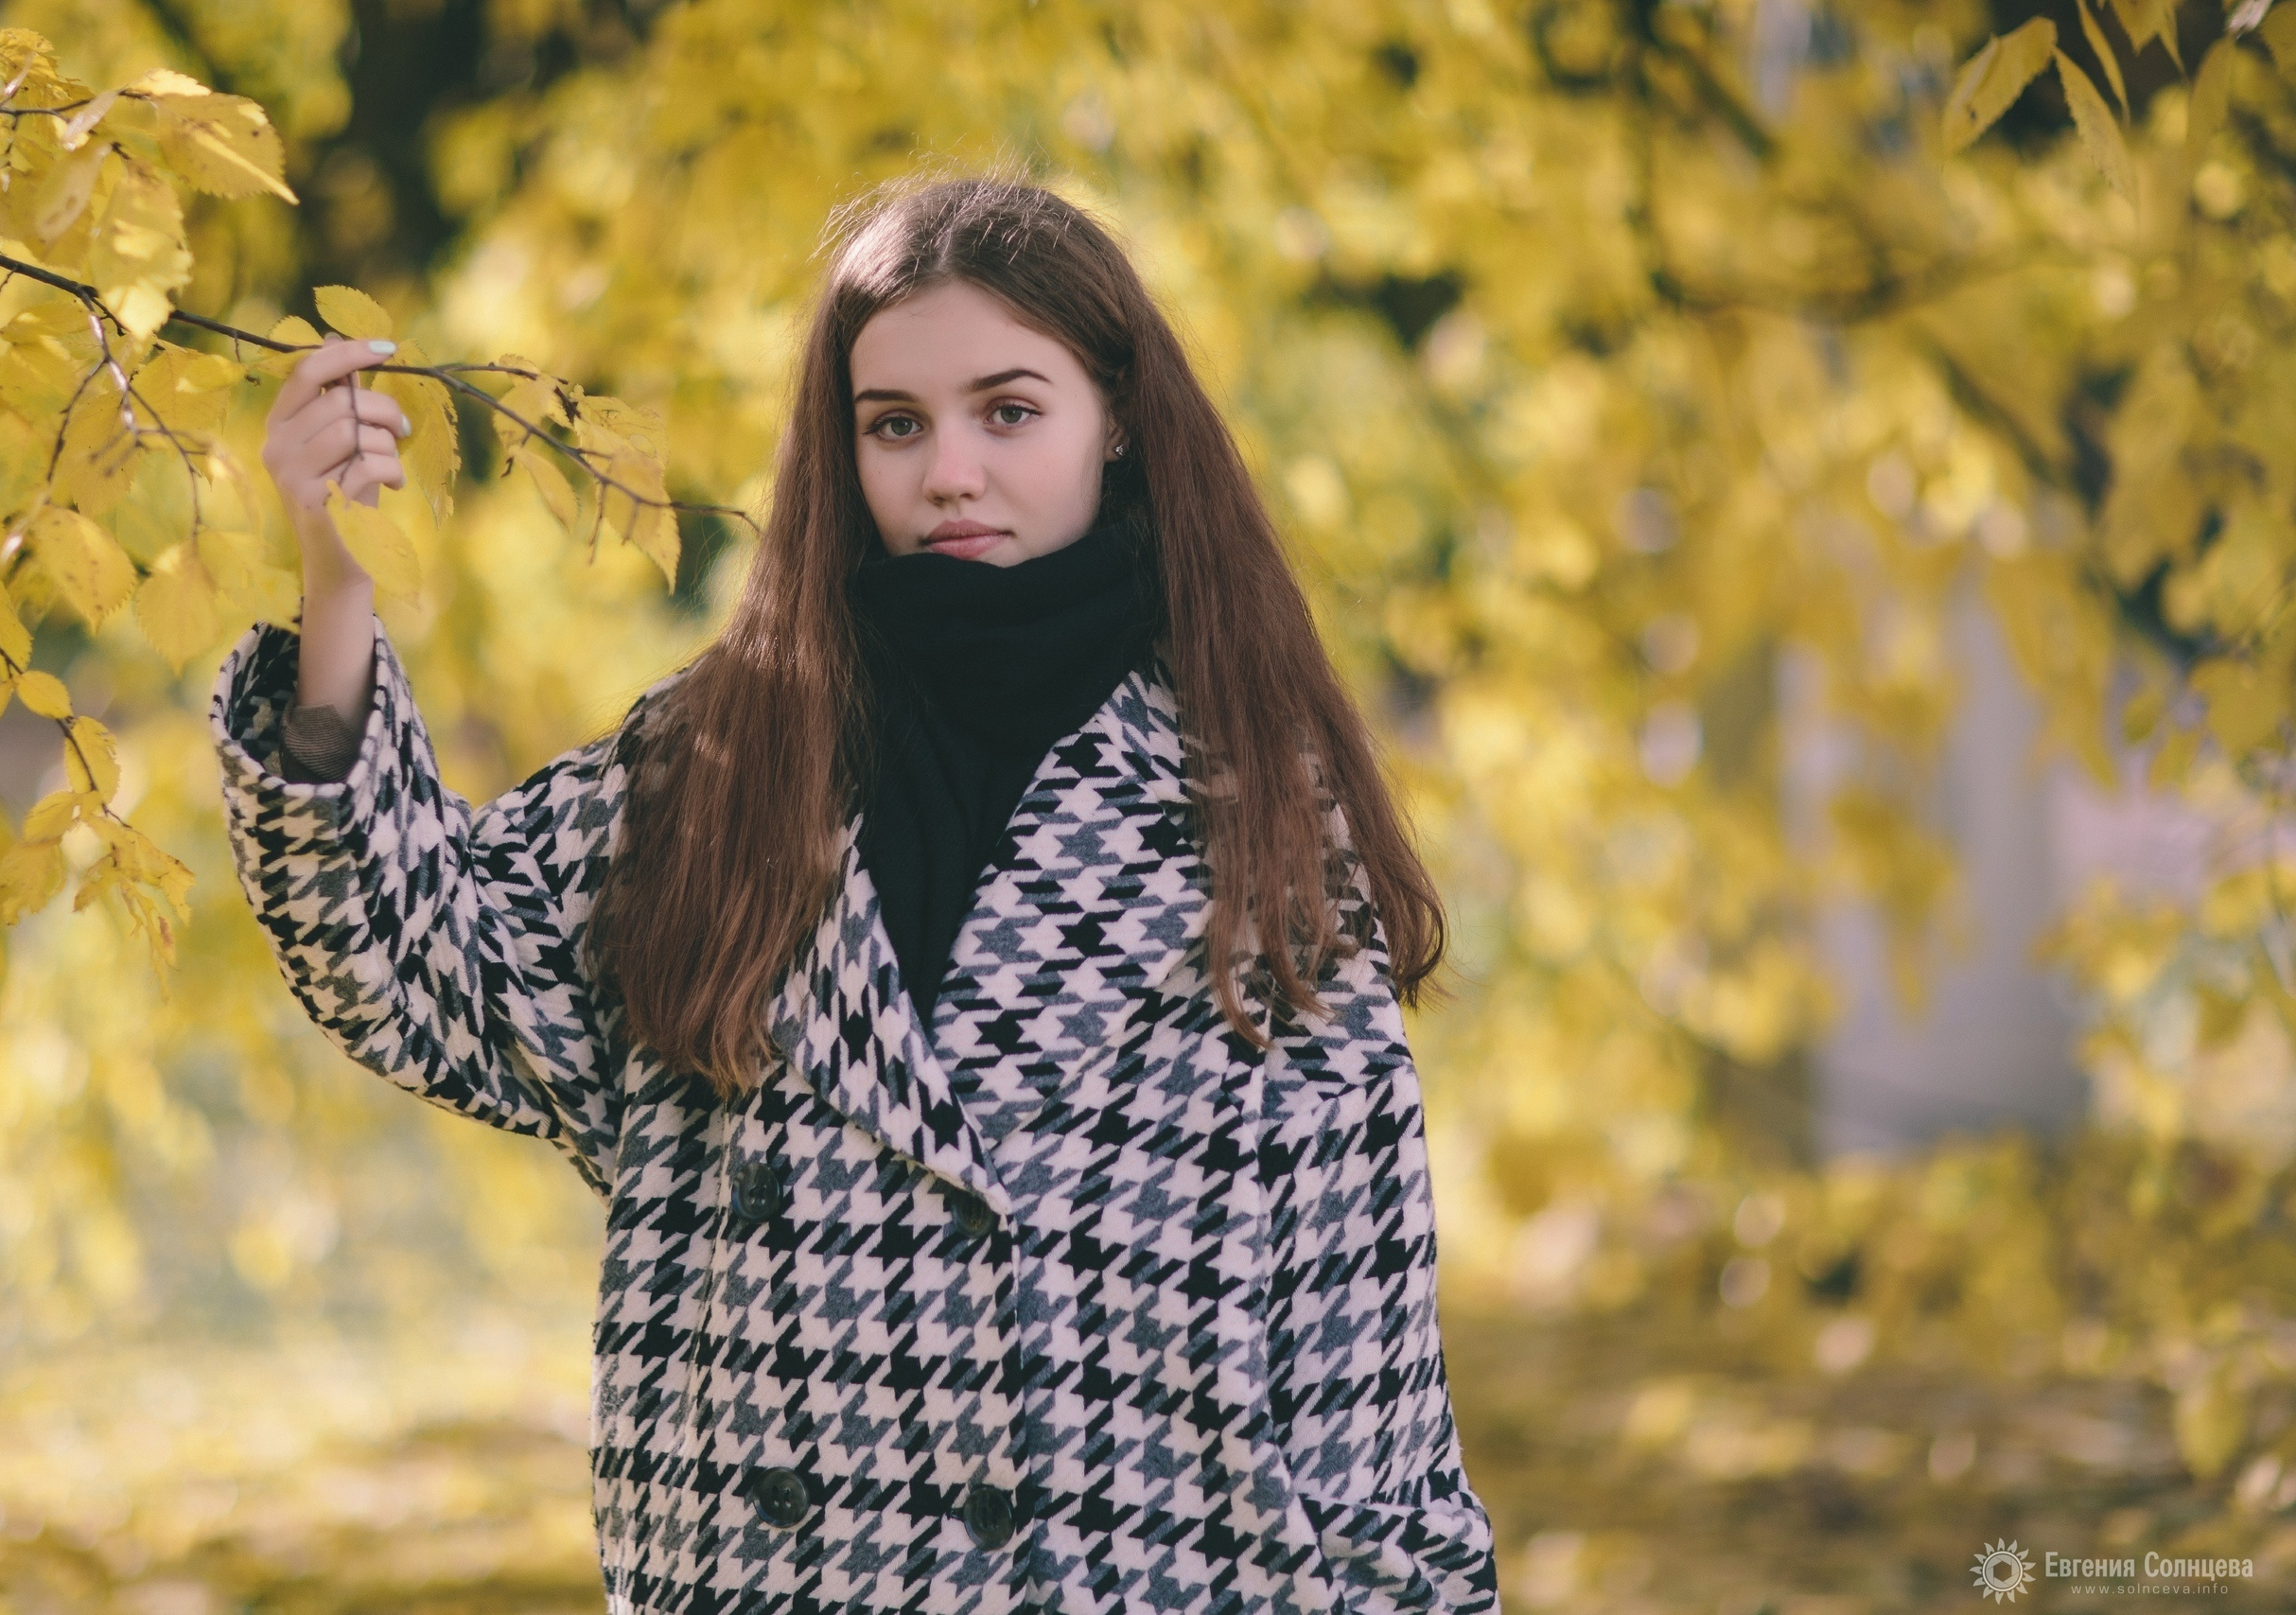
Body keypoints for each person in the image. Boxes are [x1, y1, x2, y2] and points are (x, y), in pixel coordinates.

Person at [211, 174, 1499, 1615]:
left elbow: (1365, 1385)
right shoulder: (725, 756)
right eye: (896, 423)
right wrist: (336, 577)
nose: (948, 471)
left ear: (1119, 419)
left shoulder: (1256, 801)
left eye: (1008, 411)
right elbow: (414, 965)